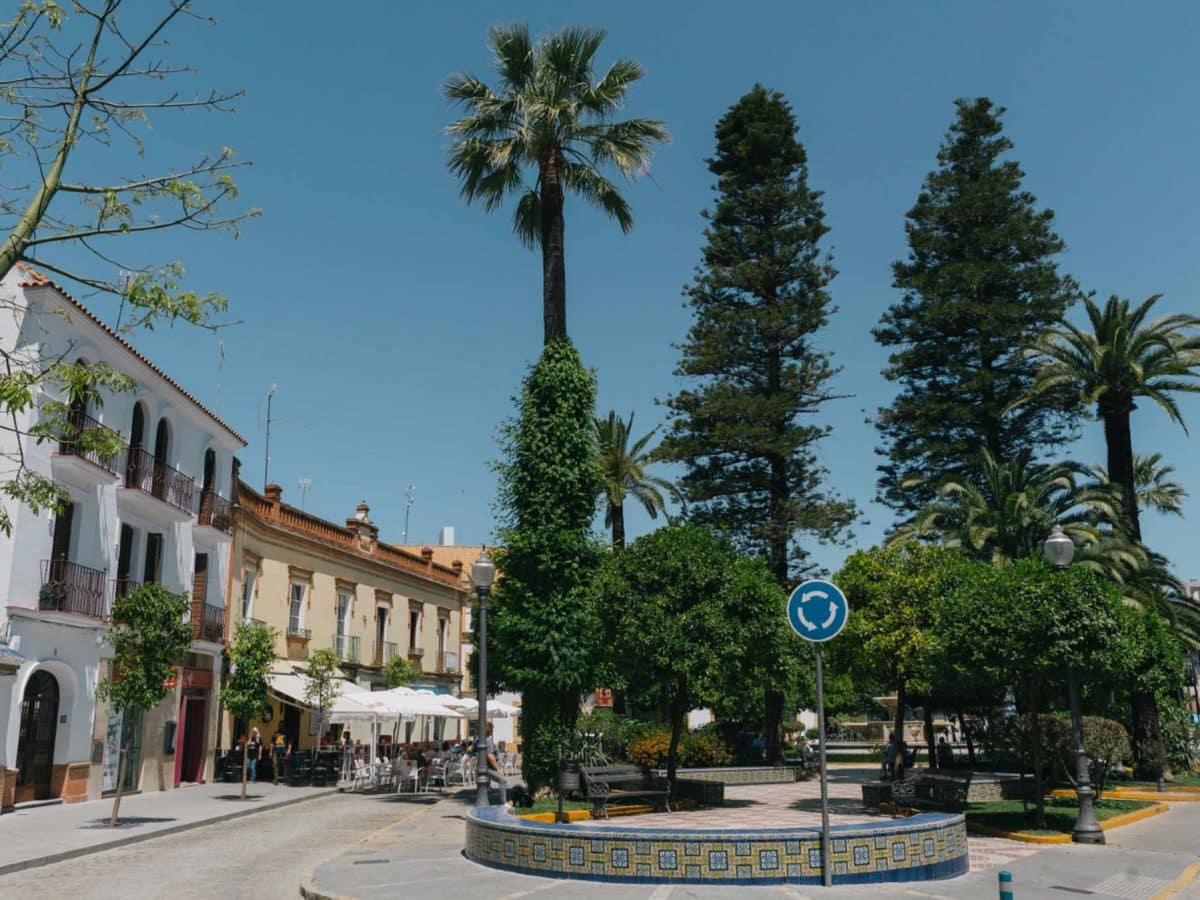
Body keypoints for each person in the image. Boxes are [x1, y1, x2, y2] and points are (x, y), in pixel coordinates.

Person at [481, 722, 508, 805]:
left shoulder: (481, 739)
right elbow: (490, 756)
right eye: (492, 728)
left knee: (486, 787)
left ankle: (486, 802)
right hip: (487, 768)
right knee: (502, 780)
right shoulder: (488, 740)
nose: (492, 730)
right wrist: (498, 769)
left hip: (484, 767)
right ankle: (504, 803)